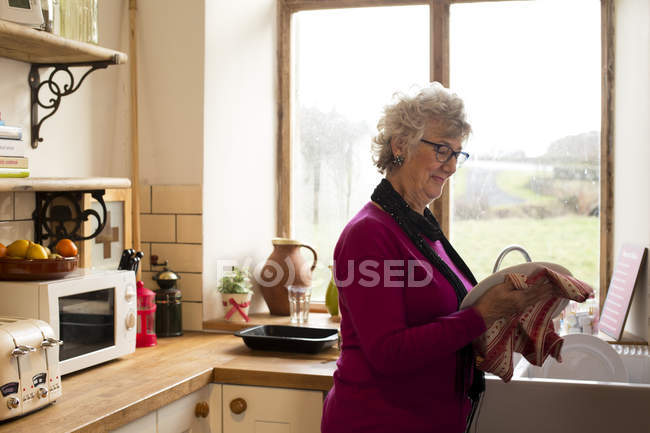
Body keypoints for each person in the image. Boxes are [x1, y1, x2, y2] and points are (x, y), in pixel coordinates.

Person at [321, 82, 555, 433]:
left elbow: (444, 327)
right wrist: (482, 314)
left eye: (457, 153)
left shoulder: (420, 230)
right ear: (400, 145)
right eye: (442, 149)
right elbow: (388, 353)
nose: (452, 166)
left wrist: (514, 325)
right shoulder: (369, 235)